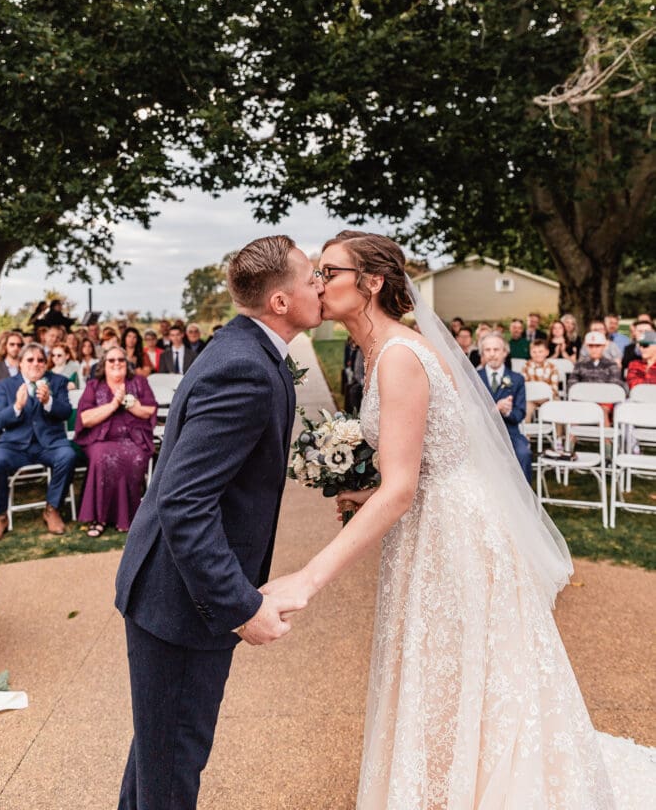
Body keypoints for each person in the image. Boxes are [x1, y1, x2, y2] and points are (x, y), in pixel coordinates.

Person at [262, 230, 655, 808]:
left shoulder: (398, 356)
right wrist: (365, 488)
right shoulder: (381, 351)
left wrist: (307, 578)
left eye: (329, 272)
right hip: (438, 515)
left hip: (454, 532)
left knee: (473, 664)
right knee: (443, 662)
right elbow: (422, 461)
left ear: (371, 283)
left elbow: (402, 493)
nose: (318, 284)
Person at [114, 235, 324, 810]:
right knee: (172, 772)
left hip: (173, 597)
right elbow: (184, 502)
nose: (321, 288)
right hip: (179, 605)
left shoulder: (245, 350)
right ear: (279, 301)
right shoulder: (245, 369)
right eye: (311, 280)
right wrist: (241, 605)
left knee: (159, 760)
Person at [0, 343, 77, 543]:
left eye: (41, 360)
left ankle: (52, 509)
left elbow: (67, 412)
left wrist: (49, 402)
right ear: (21, 364)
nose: (36, 364)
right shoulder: (5, 385)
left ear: (46, 363)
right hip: (14, 445)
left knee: (68, 456)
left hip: (50, 444)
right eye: (30, 360)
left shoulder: (58, 382)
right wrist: (17, 406)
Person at [75, 346, 157, 536]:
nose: (116, 363)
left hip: (133, 439)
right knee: (103, 458)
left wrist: (132, 405)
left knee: (134, 458)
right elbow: (85, 418)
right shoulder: (94, 386)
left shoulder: (139, 382)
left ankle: (127, 518)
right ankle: (99, 518)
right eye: (111, 360)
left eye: (120, 359)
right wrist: (113, 405)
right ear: (104, 364)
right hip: (100, 440)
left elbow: (150, 410)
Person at [477, 331, 532, 481]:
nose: (492, 354)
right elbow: (471, 412)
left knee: (523, 453)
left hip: (510, 432)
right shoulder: (473, 377)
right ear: (482, 353)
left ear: (505, 352)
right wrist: (496, 409)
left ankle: (523, 499)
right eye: (488, 350)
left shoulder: (517, 379)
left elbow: (520, 413)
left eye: (496, 350)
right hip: (482, 433)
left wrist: (507, 412)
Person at [521, 338, 560, 421]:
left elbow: (554, 389)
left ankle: (559, 433)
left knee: (557, 405)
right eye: (534, 352)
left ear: (547, 352)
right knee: (526, 408)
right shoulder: (526, 367)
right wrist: (535, 396)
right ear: (530, 353)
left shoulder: (552, 367)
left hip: (549, 398)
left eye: (540, 351)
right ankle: (527, 433)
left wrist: (545, 396)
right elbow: (524, 386)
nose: (537, 354)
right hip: (531, 398)